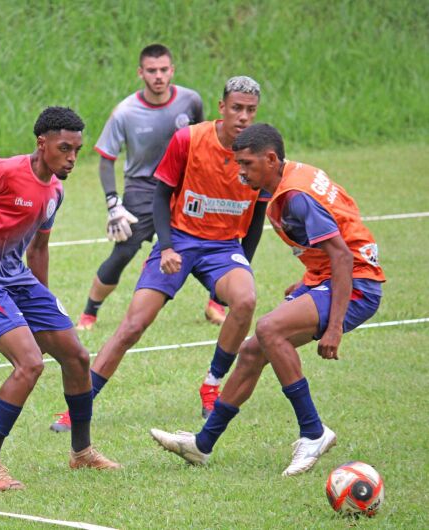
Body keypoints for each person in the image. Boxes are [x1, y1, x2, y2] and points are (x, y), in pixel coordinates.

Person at [150, 123, 385, 476]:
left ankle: (313, 431)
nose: (240, 172)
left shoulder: (295, 195)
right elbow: (342, 228)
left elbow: (343, 257)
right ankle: (202, 445)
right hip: (332, 279)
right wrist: (308, 280)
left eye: (247, 164)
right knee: (250, 351)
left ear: (271, 159)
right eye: (238, 164)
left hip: (357, 285)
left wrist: (334, 326)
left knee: (269, 328)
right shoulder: (292, 179)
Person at [51, 77, 267, 431]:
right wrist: (166, 245)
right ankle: (80, 405)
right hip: (179, 240)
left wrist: (244, 263)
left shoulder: (261, 151)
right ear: (221, 107)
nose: (243, 116)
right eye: (237, 108)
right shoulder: (190, 139)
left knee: (245, 300)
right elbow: (160, 195)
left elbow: (258, 216)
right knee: (133, 325)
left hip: (224, 248)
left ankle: (211, 387)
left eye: (250, 110)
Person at [0, 107, 121, 491]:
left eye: (77, 150)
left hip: (20, 281)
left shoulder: (55, 191)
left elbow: (39, 248)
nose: (72, 159)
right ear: (41, 143)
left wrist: (42, 306)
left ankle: (81, 452)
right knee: (30, 364)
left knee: (77, 357)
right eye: (65, 148)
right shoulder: (2, 171)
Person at [75, 44, 227, 336]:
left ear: (172, 70)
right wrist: (113, 204)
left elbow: (201, 141)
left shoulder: (190, 100)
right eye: (151, 70)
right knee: (124, 251)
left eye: (163, 70)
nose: (158, 76)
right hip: (142, 189)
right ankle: (89, 313)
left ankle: (216, 305)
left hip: (184, 187)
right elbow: (106, 160)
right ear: (140, 73)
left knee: (207, 244)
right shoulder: (125, 112)